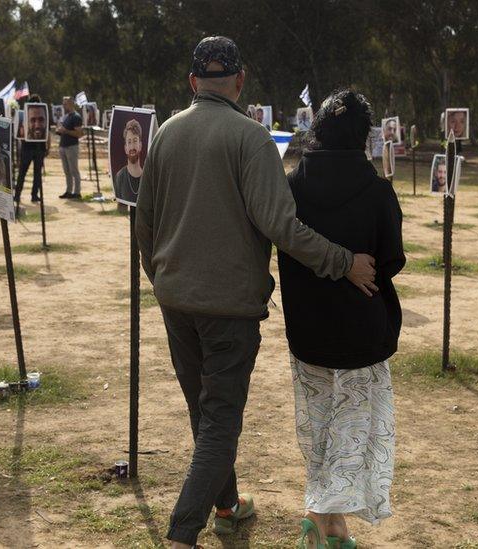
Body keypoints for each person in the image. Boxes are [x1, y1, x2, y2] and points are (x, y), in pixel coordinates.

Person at [135, 36, 377, 549]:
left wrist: (161, 278)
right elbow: (281, 226)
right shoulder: (252, 138)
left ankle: (227, 506)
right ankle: (181, 537)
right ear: (241, 82)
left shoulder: (165, 135)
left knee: (205, 415)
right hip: (229, 308)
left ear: (193, 83)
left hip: (176, 299)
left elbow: (145, 221)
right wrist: (344, 262)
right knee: (219, 422)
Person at [279, 88, 403, 549]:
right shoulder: (377, 191)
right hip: (360, 333)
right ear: (363, 137)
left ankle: (331, 525)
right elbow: (390, 261)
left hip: (308, 330)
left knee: (317, 426)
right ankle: (318, 517)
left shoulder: (289, 187)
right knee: (351, 430)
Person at [15, 96, 48, 204]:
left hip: (37, 148)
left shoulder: (43, 113)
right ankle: (26, 195)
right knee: (27, 173)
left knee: (31, 173)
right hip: (28, 148)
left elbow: (47, 132)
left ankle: (23, 195)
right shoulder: (24, 115)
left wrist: (47, 146)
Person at [56, 96, 83, 199]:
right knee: (67, 171)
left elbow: (79, 134)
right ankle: (69, 191)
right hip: (63, 146)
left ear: (71, 104)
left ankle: (77, 192)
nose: (63, 106)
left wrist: (66, 131)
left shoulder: (76, 117)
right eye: (63, 104)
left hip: (71, 147)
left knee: (74, 170)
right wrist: (60, 131)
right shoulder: (66, 117)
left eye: (65, 104)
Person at [113, 118, 143, 203]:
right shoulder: (120, 177)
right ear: (125, 148)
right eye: (129, 142)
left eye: (135, 141)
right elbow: (121, 210)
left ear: (140, 145)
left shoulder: (147, 177)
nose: (132, 147)